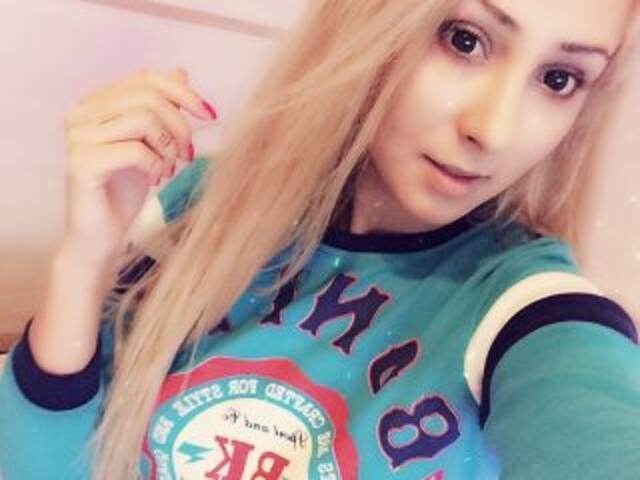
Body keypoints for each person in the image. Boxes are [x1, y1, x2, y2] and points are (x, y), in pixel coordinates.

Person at [1, 0, 639, 478]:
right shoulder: (199, 205)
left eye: (559, 79)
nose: (494, 131)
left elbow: (593, 416)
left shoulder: (525, 312)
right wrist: (84, 260)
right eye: (464, 40)